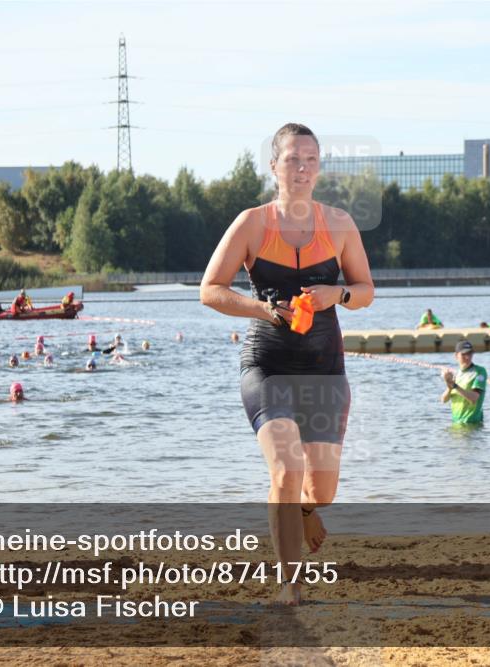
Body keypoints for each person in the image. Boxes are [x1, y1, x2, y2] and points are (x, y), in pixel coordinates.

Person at [200, 122, 374, 606]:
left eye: (311, 160)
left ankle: (303, 513)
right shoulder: (252, 223)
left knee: (322, 489)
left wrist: (335, 293)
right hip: (268, 364)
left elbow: (365, 292)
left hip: (325, 367)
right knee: (284, 467)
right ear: (274, 165)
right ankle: (289, 585)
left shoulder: (338, 224)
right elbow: (209, 290)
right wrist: (262, 308)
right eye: (292, 159)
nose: (302, 168)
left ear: (319, 168)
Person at [440, 341, 487, 425]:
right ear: (456, 356)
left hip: (473, 426)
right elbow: (443, 400)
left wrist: (455, 386)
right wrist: (449, 385)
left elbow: (474, 398)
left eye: (470, 354)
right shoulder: (456, 374)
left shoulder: (480, 371)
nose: (467, 357)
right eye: (464, 354)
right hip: (456, 425)